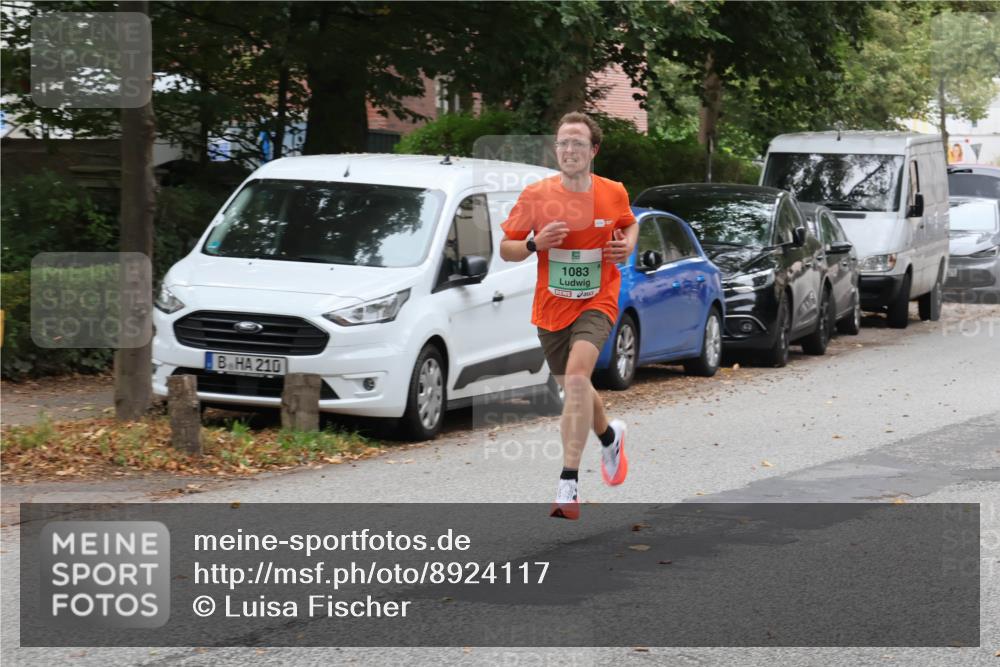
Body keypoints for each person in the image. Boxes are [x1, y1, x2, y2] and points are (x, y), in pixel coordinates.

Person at [499, 111, 639, 520]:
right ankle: (610, 437)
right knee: (574, 389)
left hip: (599, 299)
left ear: (593, 150)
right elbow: (505, 248)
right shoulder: (537, 195)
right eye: (563, 142)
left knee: (577, 379)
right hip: (551, 307)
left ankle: (568, 485)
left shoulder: (613, 192)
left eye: (578, 142)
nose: (569, 149)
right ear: (555, 149)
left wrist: (626, 247)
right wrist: (533, 243)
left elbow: (629, 225)